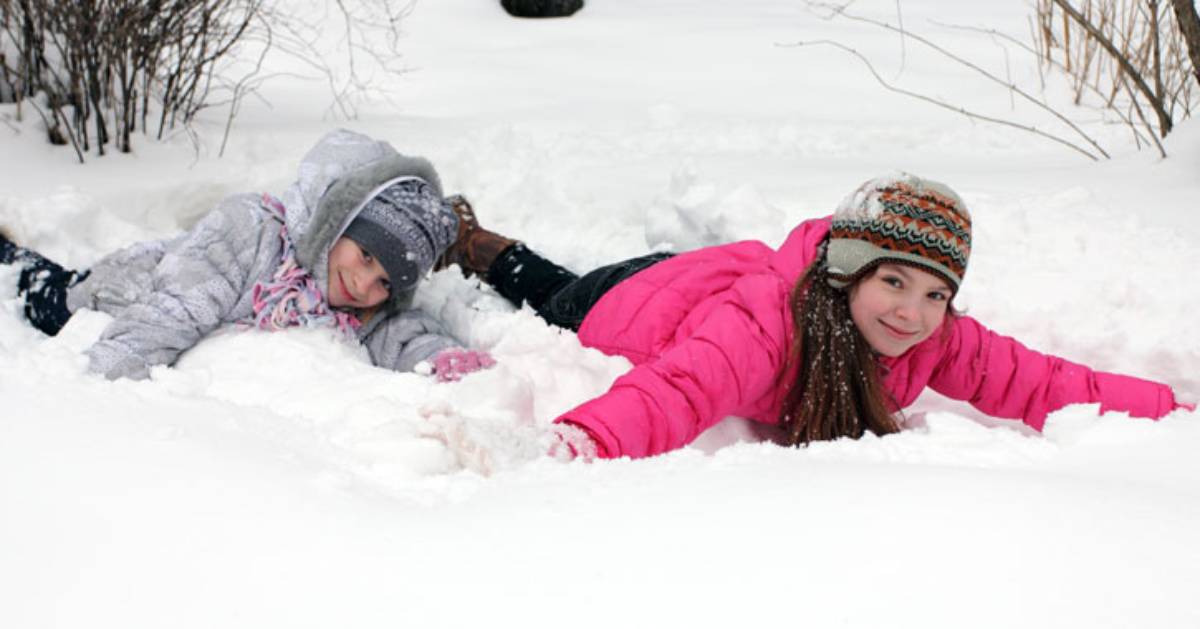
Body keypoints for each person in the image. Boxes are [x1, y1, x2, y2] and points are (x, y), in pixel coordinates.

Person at [439, 172, 1194, 460]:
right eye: (894, 281)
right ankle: (482, 245)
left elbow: (1045, 381)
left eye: (937, 293)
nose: (914, 312)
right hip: (626, 301)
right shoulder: (768, 329)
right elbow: (677, 390)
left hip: (711, 280)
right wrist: (581, 440)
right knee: (549, 286)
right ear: (846, 272)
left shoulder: (933, 338)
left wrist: (1176, 411)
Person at [1, 129, 493, 382]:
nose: (365, 286)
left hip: (160, 291)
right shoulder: (250, 232)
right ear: (335, 220)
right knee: (45, 293)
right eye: (365, 255)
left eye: (386, 281)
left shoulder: (360, 303)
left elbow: (402, 334)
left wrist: (443, 360)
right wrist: (93, 383)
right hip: (123, 294)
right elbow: (171, 313)